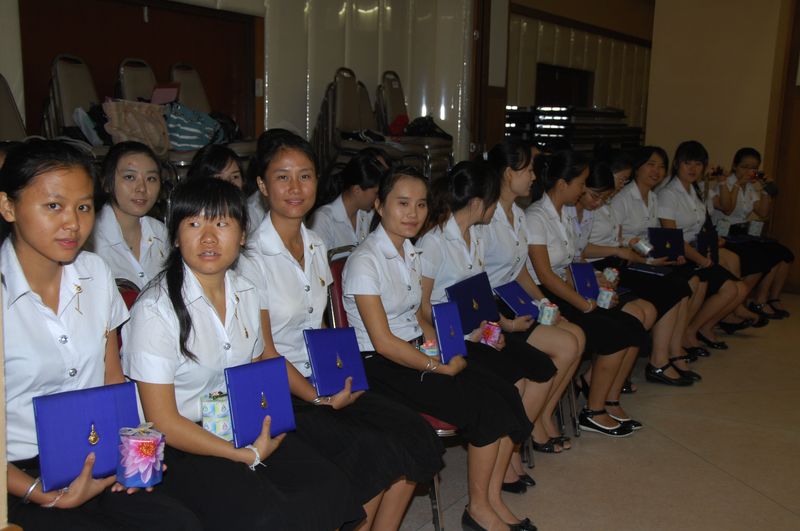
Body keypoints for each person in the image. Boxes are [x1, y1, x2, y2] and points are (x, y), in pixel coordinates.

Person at [237, 133, 444, 530]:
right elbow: (265, 352)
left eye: (305, 176)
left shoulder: (316, 244)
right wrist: (317, 397)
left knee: (413, 433)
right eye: (282, 177)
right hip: (279, 388)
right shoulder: (251, 258)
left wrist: (341, 379)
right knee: (371, 452)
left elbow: (321, 328)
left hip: (321, 377)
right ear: (262, 185)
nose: (295, 188)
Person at [2, 140, 200, 531]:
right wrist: (41, 493)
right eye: (53, 206)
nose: (72, 223)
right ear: (8, 207)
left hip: (97, 454)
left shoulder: (95, 273)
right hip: (19, 476)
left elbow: (113, 379)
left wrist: (134, 457)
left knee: (180, 522)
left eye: (83, 207)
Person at [343, 165, 537, 531]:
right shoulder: (365, 261)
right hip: (378, 364)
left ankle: (492, 499)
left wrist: (448, 347)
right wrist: (437, 366)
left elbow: (418, 316)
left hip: (415, 350)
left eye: (420, 204)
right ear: (380, 205)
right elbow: (383, 342)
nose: (413, 213)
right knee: (482, 407)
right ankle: (478, 509)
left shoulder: (410, 252)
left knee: (503, 391)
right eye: (403, 203)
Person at [527, 150, 648, 438]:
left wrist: (594, 286)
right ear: (562, 184)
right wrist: (584, 304)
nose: (583, 190)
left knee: (630, 325)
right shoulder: (536, 217)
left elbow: (571, 263)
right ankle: (592, 411)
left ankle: (606, 400)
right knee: (613, 333)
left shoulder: (564, 215)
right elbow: (545, 274)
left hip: (565, 288)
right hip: (545, 293)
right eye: (581, 183)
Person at [485, 139, 585, 455]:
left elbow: (520, 271)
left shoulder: (517, 213)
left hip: (514, 298)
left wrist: (544, 303)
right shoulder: (486, 216)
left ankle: (543, 415)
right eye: (527, 170)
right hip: (493, 306)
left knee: (576, 334)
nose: (533, 176)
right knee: (566, 345)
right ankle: (528, 429)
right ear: (507, 173)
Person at [580, 162, 698, 385]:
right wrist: (623, 251)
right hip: (602, 263)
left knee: (679, 285)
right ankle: (648, 363)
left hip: (617, 259)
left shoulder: (608, 202)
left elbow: (619, 238)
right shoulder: (593, 203)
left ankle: (665, 355)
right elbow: (582, 249)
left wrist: (641, 254)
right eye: (620, 179)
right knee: (667, 291)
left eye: (625, 179)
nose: (621, 184)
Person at [656, 141, 753, 351]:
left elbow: (701, 226)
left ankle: (699, 328)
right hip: (679, 255)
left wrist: (709, 245)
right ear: (677, 164)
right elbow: (672, 239)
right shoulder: (668, 193)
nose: (693, 169)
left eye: (698, 164)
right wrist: (701, 259)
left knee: (740, 289)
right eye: (688, 163)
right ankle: (685, 334)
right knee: (727, 288)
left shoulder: (694, 191)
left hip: (696, 253)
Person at [715, 147, 793, 319]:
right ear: (735, 166)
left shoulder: (750, 188)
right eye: (744, 167)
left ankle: (767, 299)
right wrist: (738, 184)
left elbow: (763, 212)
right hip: (725, 234)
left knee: (782, 253)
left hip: (743, 234)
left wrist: (766, 189)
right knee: (762, 258)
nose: (749, 172)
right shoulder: (725, 183)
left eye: (754, 168)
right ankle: (738, 303)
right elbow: (728, 209)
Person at [90, 141, 167, 289]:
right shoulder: (91, 241)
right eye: (130, 177)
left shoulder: (161, 233)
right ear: (106, 183)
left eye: (151, 178)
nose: (142, 188)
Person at [309, 148, 385, 251]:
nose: (378, 198)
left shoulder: (368, 214)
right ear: (357, 190)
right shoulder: (323, 220)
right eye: (376, 193)